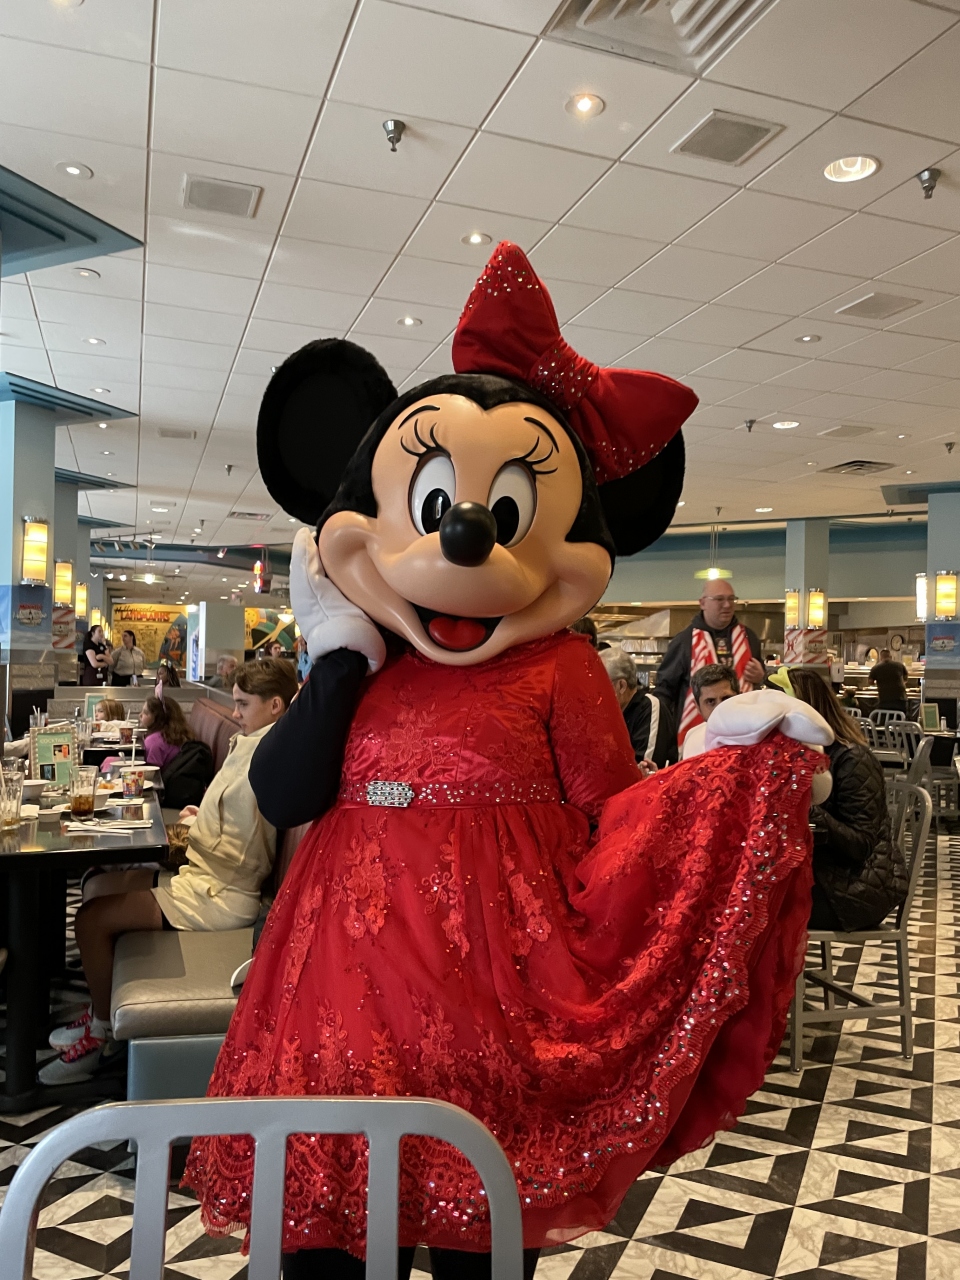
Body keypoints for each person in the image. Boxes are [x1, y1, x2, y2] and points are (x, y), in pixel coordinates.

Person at [183, 244, 824, 1278]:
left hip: (499, 1012)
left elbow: (619, 822)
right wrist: (339, 656)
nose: (471, 536)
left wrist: (736, 777)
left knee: (477, 1238)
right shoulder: (369, 654)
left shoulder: (562, 667)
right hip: (337, 1000)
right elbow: (284, 789)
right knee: (324, 1234)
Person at [40, 658, 298, 1085]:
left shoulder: (266, 755)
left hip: (219, 897)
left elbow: (244, 851)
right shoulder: (251, 744)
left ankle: (103, 1039)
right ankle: (101, 1010)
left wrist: (195, 829)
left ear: (275, 705)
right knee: (97, 883)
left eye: (243, 704)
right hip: (204, 878)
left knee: (90, 920)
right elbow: (234, 823)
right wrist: (201, 819)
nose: (235, 713)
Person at [788, 668, 907, 931]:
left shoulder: (853, 759)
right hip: (825, 876)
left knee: (755, 911)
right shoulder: (794, 757)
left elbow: (860, 845)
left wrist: (807, 806)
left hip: (858, 890)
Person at [655, 580, 765, 749]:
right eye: (719, 599)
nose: (727, 605)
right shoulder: (684, 641)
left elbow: (760, 690)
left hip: (743, 736)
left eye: (731, 599)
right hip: (696, 736)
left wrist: (761, 677)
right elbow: (664, 692)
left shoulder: (749, 637)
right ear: (703, 603)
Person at [600, 648, 676, 770]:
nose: (595, 693)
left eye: (600, 685)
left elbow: (644, 768)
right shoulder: (608, 713)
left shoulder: (649, 707)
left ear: (621, 686)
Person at [679, 663, 739, 759]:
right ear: (697, 706)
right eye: (710, 701)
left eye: (726, 699)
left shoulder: (757, 738)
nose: (719, 708)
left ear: (740, 698)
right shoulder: (692, 736)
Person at [138, 694, 191, 769]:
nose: (140, 715)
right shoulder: (177, 734)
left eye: (146, 713)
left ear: (158, 718)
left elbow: (152, 773)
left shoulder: (153, 742)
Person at [870, 647, 908, 716]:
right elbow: (905, 678)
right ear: (890, 657)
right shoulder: (900, 665)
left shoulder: (875, 668)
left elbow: (870, 682)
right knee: (900, 719)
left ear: (880, 657)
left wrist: (879, 682)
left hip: (885, 700)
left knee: (886, 719)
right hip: (900, 699)